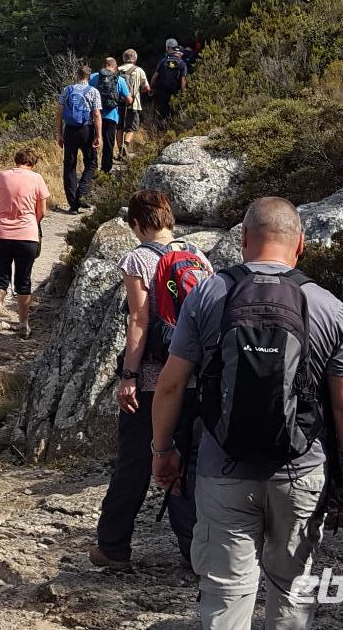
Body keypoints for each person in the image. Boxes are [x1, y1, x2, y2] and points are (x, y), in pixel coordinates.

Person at [151, 197, 343, 630]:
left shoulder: (209, 294)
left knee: (225, 593)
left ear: (243, 240)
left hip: (223, 469)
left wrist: (163, 450)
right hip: (301, 470)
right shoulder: (328, 306)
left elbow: (171, 384)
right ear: (301, 245)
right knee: (292, 590)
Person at [91, 190, 210, 572]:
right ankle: (196, 551)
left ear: (139, 223)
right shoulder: (198, 256)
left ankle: (113, 547)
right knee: (188, 463)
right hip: (194, 378)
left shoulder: (138, 259)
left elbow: (139, 321)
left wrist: (128, 375)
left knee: (135, 463)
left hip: (153, 382)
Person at [0, 147, 51, 340]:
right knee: (24, 281)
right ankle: (23, 325)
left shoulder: (2, 176)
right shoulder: (37, 178)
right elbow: (43, 211)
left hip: (0, 234)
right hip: (27, 235)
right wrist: (32, 222)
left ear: (17, 160)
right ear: (33, 163)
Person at [56, 64, 102, 215]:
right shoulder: (93, 91)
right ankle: (82, 192)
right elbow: (96, 114)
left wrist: (59, 133)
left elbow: (59, 112)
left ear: (77, 74)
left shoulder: (67, 90)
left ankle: (73, 205)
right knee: (91, 162)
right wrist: (98, 135)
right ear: (89, 76)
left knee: (69, 165)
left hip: (70, 129)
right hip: (86, 130)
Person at [93, 57, 131, 174]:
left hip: (95, 116)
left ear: (103, 65)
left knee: (94, 143)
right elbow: (129, 100)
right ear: (114, 67)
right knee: (108, 144)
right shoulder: (119, 79)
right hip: (111, 115)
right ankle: (105, 170)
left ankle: (92, 168)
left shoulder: (94, 77)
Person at [116, 49, 151, 160]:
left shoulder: (117, 70)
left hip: (118, 103)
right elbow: (146, 87)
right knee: (131, 128)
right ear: (135, 59)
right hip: (133, 103)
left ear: (124, 58)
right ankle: (125, 146)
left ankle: (120, 151)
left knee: (119, 128)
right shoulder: (139, 70)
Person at [149, 39, 189, 127]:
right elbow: (183, 80)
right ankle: (172, 130)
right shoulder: (182, 63)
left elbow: (155, 77)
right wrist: (183, 93)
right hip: (175, 92)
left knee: (163, 112)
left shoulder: (163, 61)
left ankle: (162, 130)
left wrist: (151, 88)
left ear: (168, 47)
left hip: (163, 92)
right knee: (174, 112)